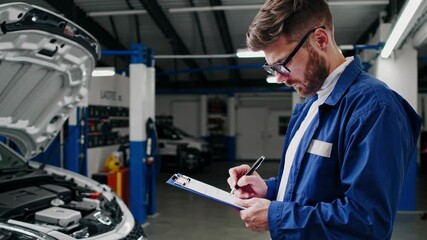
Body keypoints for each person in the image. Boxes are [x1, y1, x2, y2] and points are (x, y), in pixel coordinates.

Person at [227, 0, 422, 239]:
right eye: (272, 68)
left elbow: (367, 221)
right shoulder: (310, 107)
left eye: (282, 65)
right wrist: (269, 189)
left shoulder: (374, 108)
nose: (279, 78)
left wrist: (277, 216)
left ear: (320, 40)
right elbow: (312, 188)